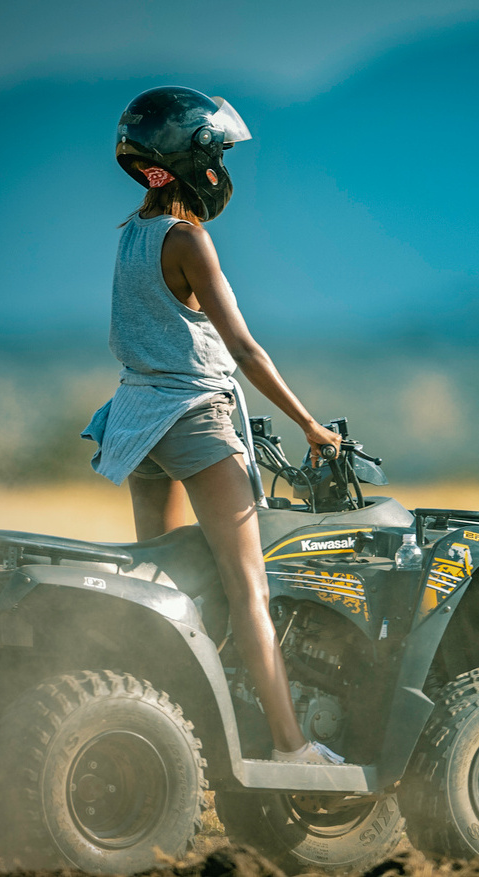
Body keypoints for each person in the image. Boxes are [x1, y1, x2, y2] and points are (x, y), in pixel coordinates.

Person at [82, 86, 343, 764]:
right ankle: (291, 745)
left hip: (136, 424)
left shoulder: (129, 237)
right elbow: (244, 348)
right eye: (220, 152)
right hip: (194, 420)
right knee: (247, 586)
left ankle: (163, 731)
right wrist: (312, 425)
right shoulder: (188, 239)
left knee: (162, 583)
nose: (225, 166)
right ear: (192, 161)